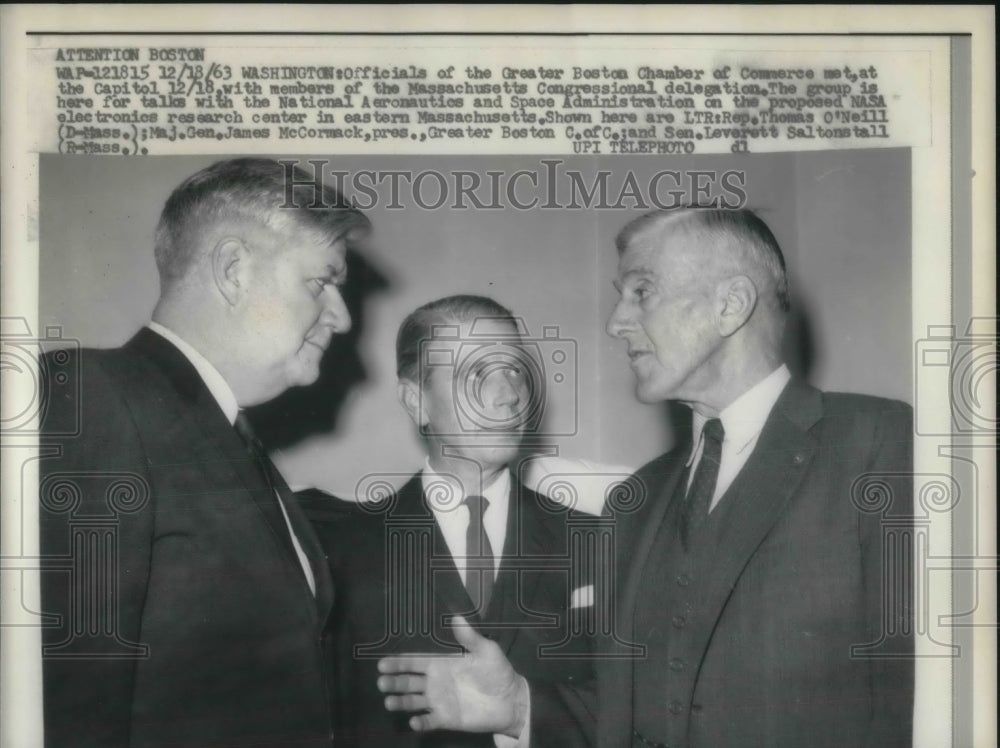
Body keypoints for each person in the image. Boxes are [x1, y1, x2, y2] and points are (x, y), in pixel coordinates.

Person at [376, 208, 914, 747]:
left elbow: (927, 696)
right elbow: (626, 716)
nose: (615, 322)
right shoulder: (636, 500)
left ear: (730, 305)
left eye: (642, 292)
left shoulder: (877, 443)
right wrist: (520, 708)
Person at [38, 158, 370, 747]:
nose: (341, 318)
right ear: (234, 270)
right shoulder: (92, 395)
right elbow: (72, 702)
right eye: (321, 282)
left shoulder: (235, 440)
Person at [314, 295, 593, 747]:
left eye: (515, 370)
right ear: (416, 402)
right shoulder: (336, 551)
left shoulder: (598, 541)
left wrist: (524, 713)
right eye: (476, 374)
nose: (508, 395)